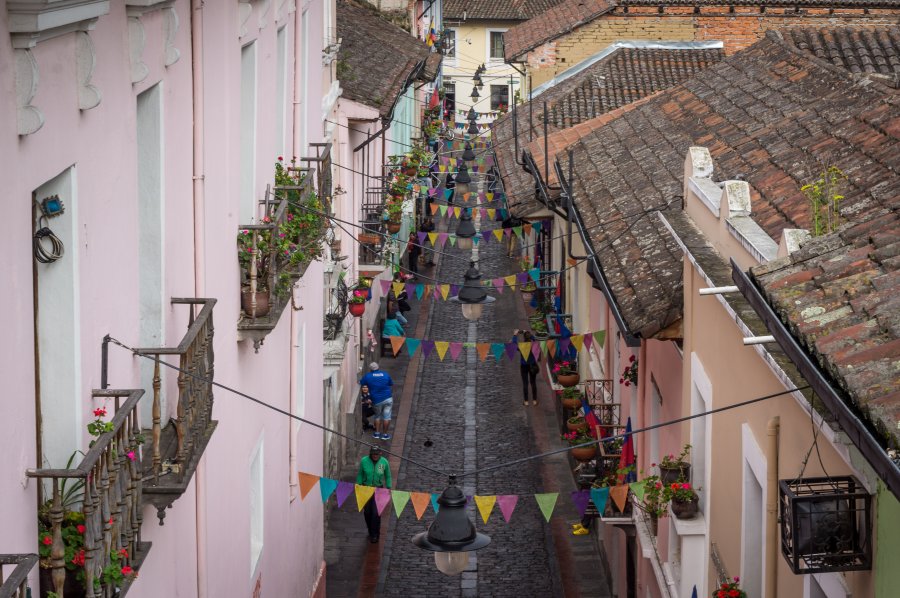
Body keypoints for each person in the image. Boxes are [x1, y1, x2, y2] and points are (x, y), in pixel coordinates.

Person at [357, 446, 392, 543]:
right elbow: (360, 474)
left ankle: (375, 534)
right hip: (365, 489)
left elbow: (388, 476)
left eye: (377, 454)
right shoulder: (364, 461)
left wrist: (389, 486)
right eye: (373, 454)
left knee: (376, 513)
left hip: (378, 490)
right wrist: (358, 484)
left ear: (380, 454)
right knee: (367, 512)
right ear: (370, 454)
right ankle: (370, 530)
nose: (375, 456)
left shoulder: (384, 462)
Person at [359, 362, 395, 440]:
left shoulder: (368, 376)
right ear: (378, 368)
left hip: (376, 400)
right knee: (387, 417)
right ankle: (385, 434)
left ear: (370, 369)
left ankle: (377, 433)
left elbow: (360, 383)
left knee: (377, 416)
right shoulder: (385, 374)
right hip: (388, 398)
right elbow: (391, 383)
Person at [513, 329, 540, 405]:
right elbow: (534, 339)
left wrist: (515, 335)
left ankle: (526, 401)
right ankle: (534, 401)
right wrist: (527, 332)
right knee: (533, 382)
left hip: (524, 366)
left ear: (524, 338)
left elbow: (514, 344)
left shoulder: (521, 346)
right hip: (532, 365)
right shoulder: (533, 344)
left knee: (525, 383)